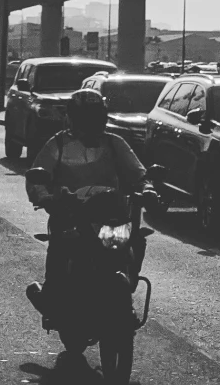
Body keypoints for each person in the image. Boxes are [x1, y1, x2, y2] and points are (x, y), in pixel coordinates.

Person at [24, 86, 147, 323]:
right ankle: (51, 298)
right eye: (86, 118)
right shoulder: (57, 145)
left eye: (96, 117)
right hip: (70, 213)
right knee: (60, 245)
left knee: (136, 238)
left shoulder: (114, 143)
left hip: (110, 213)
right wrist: (44, 196)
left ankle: (128, 280)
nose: (91, 124)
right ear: (73, 118)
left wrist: (147, 189)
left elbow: (137, 172)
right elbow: (37, 176)